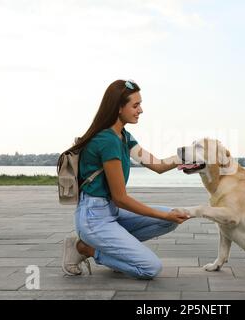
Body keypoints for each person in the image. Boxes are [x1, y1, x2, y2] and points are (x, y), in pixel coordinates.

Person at [60, 79, 190, 279]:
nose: (141, 110)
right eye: (135, 105)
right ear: (119, 108)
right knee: (150, 268)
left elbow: (158, 166)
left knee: (172, 217)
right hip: (94, 218)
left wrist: (189, 156)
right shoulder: (108, 140)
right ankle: (85, 249)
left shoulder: (124, 137)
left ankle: (114, 250)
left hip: (111, 212)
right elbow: (121, 198)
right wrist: (162, 215)